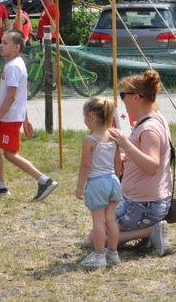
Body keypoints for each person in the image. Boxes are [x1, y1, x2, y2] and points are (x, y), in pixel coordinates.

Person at [0, 29, 59, 200]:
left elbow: (12, 96)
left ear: (16, 47)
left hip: (9, 119)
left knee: (10, 153)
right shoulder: (14, 64)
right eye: (1, 42)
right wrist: (26, 119)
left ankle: (44, 181)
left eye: (5, 43)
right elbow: (21, 95)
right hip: (7, 117)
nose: (1, 45)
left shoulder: (14, 67)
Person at [108, 70, 172, 257]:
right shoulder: (154, 117)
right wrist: (129, 156)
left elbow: (152, 165)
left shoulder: (149, 128)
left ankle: (150, 231)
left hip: (146, 205)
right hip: (143, 201)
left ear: (136, 97)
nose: (122, 101)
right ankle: (147, 231)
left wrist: (125, 143)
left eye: (123, 96)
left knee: (98, 235)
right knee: (102, 223)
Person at [75, 97, 122, 268]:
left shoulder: (89, 140)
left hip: (97, 183)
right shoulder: (114, 136)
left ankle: (99, 255)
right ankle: (113, 253)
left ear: (90, 116)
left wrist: (80, 187)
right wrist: (117, 178)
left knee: (98, 222)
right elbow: (118, 162)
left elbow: (86, 166)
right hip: (113, 181)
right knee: (111, 219)